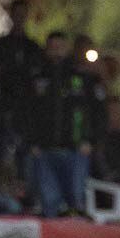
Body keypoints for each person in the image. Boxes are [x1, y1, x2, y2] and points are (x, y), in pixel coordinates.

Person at [25, 31, 96, 217]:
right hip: (44, 150)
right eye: (52, 47)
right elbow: (28, 113)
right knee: (49, 201)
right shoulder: (36, 77)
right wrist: (32, 142)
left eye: (60, 47)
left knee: (75, 199)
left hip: (75, 150)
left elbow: (92, 111)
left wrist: (88, 139)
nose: (56, 52)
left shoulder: (80, 78)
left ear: (67, 49)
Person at [0, 0, 43, 139]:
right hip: (3, 107)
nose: (19, 18)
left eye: (22, 14)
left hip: (27, 110)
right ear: (11, 15)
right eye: (17, 14)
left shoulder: (34, 48)